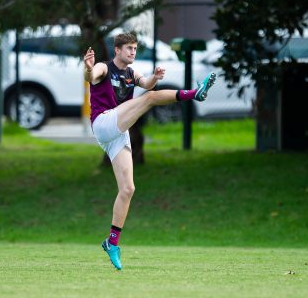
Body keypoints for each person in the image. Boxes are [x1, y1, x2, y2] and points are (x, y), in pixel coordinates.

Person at [83, 32, 216, 270]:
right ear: (117, 50)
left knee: (128, 189)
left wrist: (154, 77)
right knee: (150, 99)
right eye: (129, 49)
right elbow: (91, 76)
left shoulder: (132, 73)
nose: (133, 52)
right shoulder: (104, 68)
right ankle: (194, 93)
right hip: (103, 123)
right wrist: (88, 67)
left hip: (118, 132)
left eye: (135, 48)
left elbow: (146, 85)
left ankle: (111, 243)